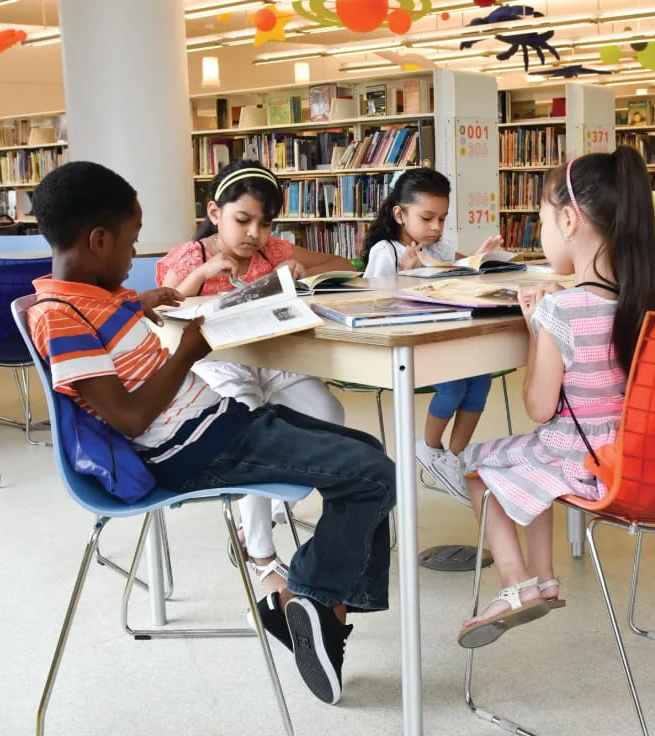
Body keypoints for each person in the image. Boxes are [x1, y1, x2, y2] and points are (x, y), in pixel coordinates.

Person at [27, 161, 396, 705]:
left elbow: (119, 318)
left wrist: (144, 301)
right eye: (130, 244)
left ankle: (319, 609)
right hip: (197, 450)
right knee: (374, 475)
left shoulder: (93, 296)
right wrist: (187, 353)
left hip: (219, 426)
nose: (134, 257)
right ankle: (314, 599)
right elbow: (129, 416)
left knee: (367, 452)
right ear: (98, 239)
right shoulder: (60, 316)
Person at [456, 147, 655, 647]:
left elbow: (540, 408)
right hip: (624, 455)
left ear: (569, 220)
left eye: (543, 220)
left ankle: (516, 584)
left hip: (575, 456)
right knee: (530, 468)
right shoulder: (644, 297)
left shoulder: (561, 310)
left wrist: (536, 332)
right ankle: (545, 580)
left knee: (479, 465)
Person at [157, 159, 350, 596]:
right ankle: (260, 555)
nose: (254, 234)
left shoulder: (274, 252)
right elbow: (163, 311)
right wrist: (200, 276)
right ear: (213, 213)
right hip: (216, 365)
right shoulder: (193, 255)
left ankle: (268, 511)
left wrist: (305, 275)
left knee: (328, 413)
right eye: (242, 220)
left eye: (265, 224)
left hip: (271, 360)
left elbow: (340, 263)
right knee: (250, 428)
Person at [362, 167, 503, 505]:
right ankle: (429, 447)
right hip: (405, 345)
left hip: (441, 338)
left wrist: (480, 259)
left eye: (441, 218)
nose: (436, 227)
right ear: (400, 214)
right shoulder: (387, 252)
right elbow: (368, 303)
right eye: (427, 218)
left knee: (481, 379)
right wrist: (404, 280)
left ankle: (452, 458)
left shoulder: (437, 247)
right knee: (454, 385)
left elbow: (461, 269)